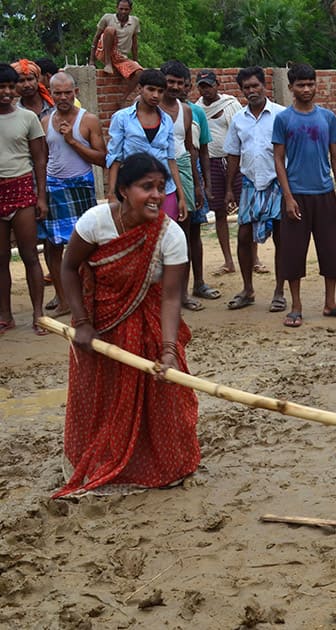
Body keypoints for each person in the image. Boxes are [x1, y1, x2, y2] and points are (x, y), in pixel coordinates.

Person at [55, 152, 199, 498]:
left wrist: (167, 350)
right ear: (121, 191)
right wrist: (84, 323)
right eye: (145, 186)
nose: (155, 195)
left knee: (162, 396)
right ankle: (100, 459)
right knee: (102, 397)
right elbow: (68, 268)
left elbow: (169, 297)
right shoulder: (95, 222)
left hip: (150, 325)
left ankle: (160, 466)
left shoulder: (171, 235)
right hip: (100, 326)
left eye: (160, 187)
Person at [272, 63, 336, 327]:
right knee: (293, 252)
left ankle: (330, 302)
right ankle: (296, 306)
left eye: (310, 84)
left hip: (325, 193)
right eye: (301, 85)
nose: (306, 89)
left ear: (316, 84)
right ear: (291, 88)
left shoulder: (327, 117)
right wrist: (287, 196)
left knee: (330, 249)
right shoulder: (283, 119)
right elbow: (278, 159)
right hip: (297, 195)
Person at [40, 73, 107, 318]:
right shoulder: (45, 122)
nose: (63, 97)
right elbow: (43, 159)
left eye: (68, 92)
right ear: (51, 94)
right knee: (54, 246)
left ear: (76, 92)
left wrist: (72, 141)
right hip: (54, 187)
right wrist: (41, 192)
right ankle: (64, 299)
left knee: (89, 246)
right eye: (57, 93)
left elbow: (102, 158)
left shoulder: (87, 120)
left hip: (81, 186)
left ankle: (91, 296)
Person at [222, 65, 286, 313]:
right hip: (249, 184)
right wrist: (229, 189)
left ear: (264, 86)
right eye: (246, 87)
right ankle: (247, 289)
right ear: (241, 91)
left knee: (282, 238)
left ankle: (280, 291)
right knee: (244, 237)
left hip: (277, 184)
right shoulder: (238, 119)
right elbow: (233, 155)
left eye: (255, 85)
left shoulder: (281, 115)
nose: (251, 91)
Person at [160, 61, 213, 312]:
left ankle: (182, 293)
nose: (174, 87)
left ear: (185, 86)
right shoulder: (148, 108)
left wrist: (197, 185)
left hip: (183, 170)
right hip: (156, 171)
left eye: (179, 83)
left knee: (183, 235)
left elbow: (191, 149)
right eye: (170, 81)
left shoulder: (187, 111)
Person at [0, 63, 48, 336]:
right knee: (1, 257)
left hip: (22, 189)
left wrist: (41, 197)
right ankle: (5, 315)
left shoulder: (28, 118)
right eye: (2, 87)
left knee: (30, 255)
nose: (7, 92)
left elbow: (40, 159)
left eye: (11, 87)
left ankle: (38, 313)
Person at [107, 69, 186, 222]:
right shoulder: (122, 118)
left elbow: (171, 160)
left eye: (160, 91)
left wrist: (181, 197)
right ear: (140, 89)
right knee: (135, 235)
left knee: (164, 235)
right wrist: (112, 193)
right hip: (134, 188)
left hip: (165, 189)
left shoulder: (166, 120)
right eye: (151, 89)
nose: (155, 95)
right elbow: (115, 158)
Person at [195, 70, 245, 276]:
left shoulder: (231, 105)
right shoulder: (197, 110)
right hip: (212, 164)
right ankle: (228, 261)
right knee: (220, 212)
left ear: (218, 84)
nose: (206, 89)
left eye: (209, 85)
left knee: (246, 211)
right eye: (202, 86)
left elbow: (241, 134)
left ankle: (254, 258)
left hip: (235, 161)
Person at [89, 0, 142, 105]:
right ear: (116, 8)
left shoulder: (134, 21)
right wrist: (91, 60)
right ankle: (108, 63)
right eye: (121, 9)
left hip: (121, 57)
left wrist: (135, 60)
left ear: (130, 10)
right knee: (109, 30)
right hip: (104, 52)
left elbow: (134, 42)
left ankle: (123, 98)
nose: (123, 11)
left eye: (126, 9)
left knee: (139, 73)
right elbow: (96, 38)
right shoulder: (107, 18)